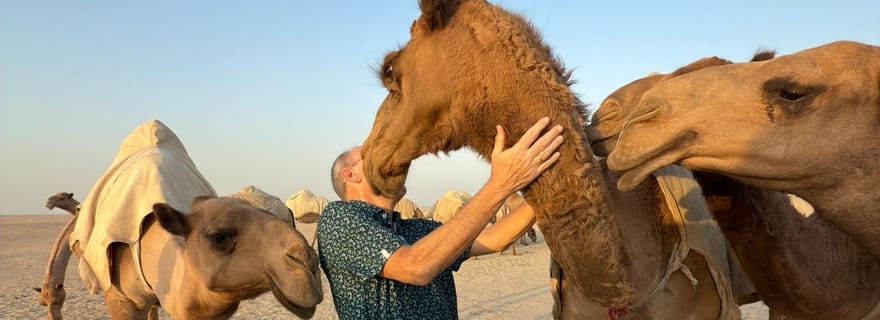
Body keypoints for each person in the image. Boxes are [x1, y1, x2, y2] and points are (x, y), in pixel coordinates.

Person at [317, 117, 564, 319]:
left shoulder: (416, 230)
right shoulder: (339, 218)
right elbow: (414, 267)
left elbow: (495, 239)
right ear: (350, 175)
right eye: (370, 155)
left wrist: (552, 184)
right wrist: (502, 184)